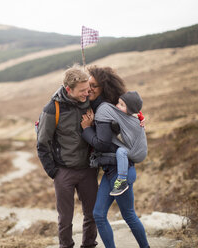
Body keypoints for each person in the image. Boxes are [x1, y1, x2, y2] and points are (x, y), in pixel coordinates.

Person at [81, 66, 150, 248]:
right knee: (99, 214)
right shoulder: (110, 108)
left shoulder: (105, 109)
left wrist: (86, 129)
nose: (90, 89)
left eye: (94, 85)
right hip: (111, 172)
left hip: (122, 172)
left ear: (104, 87)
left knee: (128, 215)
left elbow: (102, 143)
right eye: (88, 85)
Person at [36, 64, 98, 248]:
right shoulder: (52, 109)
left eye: (88, 89)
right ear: (68, 89)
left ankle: (89, 245)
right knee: (65, 218)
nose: (86, 94)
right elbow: (42, 143)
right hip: (63, 172)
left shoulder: (90, 102)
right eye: (82, 91)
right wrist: (53, 171)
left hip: (88, 170)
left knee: (92, 214)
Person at [108, 91, 147, 196]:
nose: (117, 106)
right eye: (118, 103)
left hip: (138, 152)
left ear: (130, 110)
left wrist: (141, 118)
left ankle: (121, 180)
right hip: (133, 149)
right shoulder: (127, 116)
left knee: (121, 151)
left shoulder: (133, 120)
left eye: (121, 105)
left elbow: (137, 117)